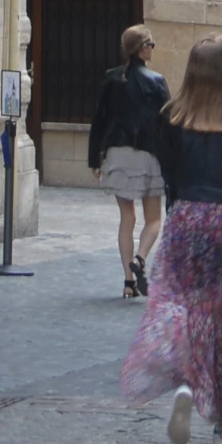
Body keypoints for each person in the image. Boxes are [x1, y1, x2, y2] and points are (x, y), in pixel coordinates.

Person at [120, 35, 222, 444]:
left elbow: (170, 173)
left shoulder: (170, 117)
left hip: (185, 220)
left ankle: (187, 384)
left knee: (184, 308)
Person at [88, 25, 169, 298]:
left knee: (126, 218)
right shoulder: (157, 81)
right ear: (142, 48)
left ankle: (128, 282)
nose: (153, 48)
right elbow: (165, 125)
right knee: (154, 219)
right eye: (152, 44)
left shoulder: (112, 79)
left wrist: (94, 159)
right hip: (147, 154)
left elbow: (98, 120)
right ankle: (141, 257)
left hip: (117, 154)